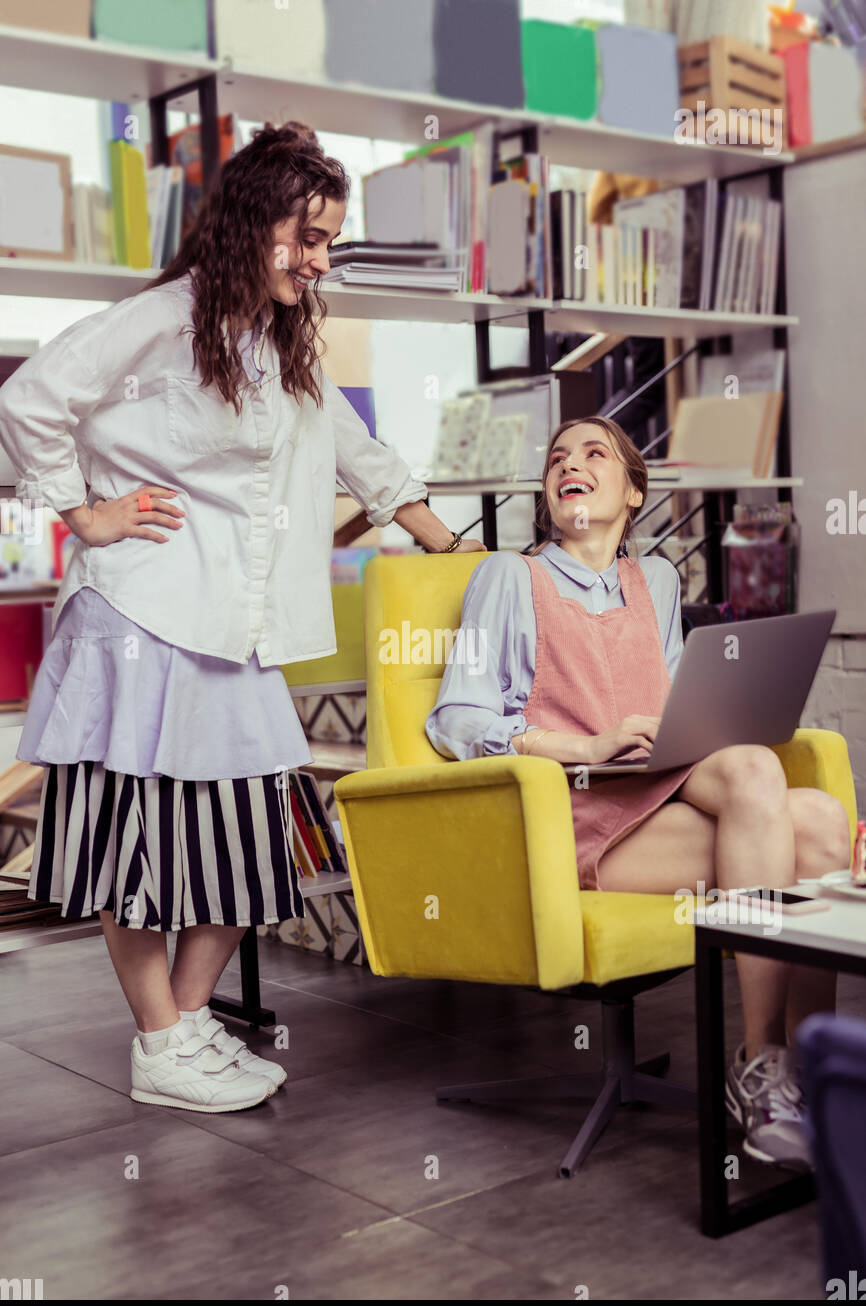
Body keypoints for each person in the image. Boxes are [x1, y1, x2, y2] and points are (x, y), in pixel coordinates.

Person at [0, 120, 483, 1116]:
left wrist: (459, 554)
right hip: (139, 612)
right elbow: (31, 401)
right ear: (252, 224)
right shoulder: (160, 320)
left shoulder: (282, 346)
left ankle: (180, 1027)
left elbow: (365, 458)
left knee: (257, 833)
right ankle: (162, 1037)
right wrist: (87, 512)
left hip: (236, 628)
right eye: (305, 238)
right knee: (123, 842)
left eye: (328, 243)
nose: (318, 261)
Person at [426, 415, 851, 1170]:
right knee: (780, 801)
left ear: (631, 491)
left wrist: (692, 723)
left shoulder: (654, 578)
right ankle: (759, 1068)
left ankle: (808, 1072)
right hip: (580, 809)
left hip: (662, 785)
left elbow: (670, 698)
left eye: (595, 454)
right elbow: (456, 715)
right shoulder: (507, 576)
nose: (570, 465)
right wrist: (581, 745)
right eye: (558, 458)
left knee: (811, 812)